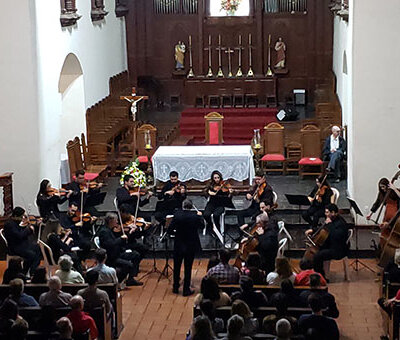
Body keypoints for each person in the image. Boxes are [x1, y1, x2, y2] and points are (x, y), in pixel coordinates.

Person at [97, 212, 143, 286]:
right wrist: (120, 239)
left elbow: (120, 240)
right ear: (110, 221)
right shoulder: (104, 232)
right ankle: (118, 282)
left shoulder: (110, 229)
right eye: (116, 220)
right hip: (111, 256)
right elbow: (110, 244)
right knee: (129, 265)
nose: (117, 222)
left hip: (118, 252)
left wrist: (129, 233)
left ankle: (131, 278)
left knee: (136, 255)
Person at [169, 199, 203, 296]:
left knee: (177, 266)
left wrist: (176, 233)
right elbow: (202, 226)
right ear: (191, 207)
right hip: (190, 244)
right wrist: (200, 217)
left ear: (183, 206)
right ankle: (186, 289)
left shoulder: (177, 215)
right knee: (188, 267)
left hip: (179, 244)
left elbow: (170, 230)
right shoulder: (195, 216)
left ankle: (175, 287)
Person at [311, 204, 350, 278]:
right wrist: (313, 230)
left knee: (317, 256)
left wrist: (330, 224)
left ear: (333, 213)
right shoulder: (332, 220)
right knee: (316, 253)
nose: (326, 214)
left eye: (327, 212)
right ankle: (317, 274)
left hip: (338, 250)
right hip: (331, 246)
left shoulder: (341, 223)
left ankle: (321, 277)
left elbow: (336, 236)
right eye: (325, 212)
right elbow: (324, 230)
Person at [3, 207, 41, 275]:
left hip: (22, 245)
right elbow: (19, 235)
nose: (22, 219)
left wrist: (28, 226)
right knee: (31, 255)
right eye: (21, 217)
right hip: (15, 247)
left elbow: (20, 230)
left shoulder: (14, 223)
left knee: (38, 248)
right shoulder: (9, 225)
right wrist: (29, 230)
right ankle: (24, 272)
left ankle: (33, 270)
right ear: (15, 216)